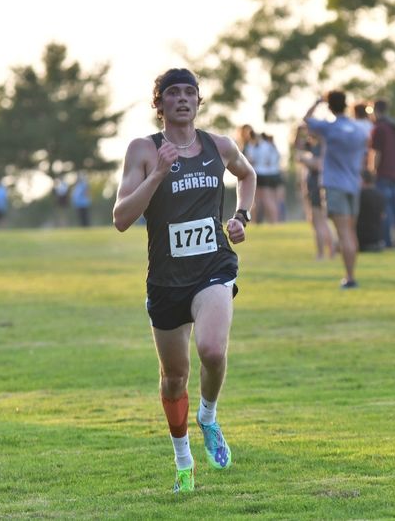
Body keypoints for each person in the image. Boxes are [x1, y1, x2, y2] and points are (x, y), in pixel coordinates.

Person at [112, 68, 256, 493]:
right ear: (158, 104)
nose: (182, 99)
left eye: (189, 92)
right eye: (172, 93)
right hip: (166, 280)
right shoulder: (143, 149)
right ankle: (183, 460)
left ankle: (208, 417)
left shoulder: (219, 146)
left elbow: (246, 175)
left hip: (213, 266)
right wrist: (157, 174)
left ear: (198, 100)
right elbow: (121, 218)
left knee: (212, 349)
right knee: (174, 377)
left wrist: (240, 216)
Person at [305, 90, 369, 288]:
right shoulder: (358, 129)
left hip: (335, 185)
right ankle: (351, 275)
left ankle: (350, 278)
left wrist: (317, 102)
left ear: (330, 106)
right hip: (353, 185)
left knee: (344, 234)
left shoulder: (330, 128)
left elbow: (307, 120)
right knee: (351, 231)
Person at [294, 124, 336, 259]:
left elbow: (319, 165)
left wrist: (304, 160)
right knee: (318, 221)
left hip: (317, 186)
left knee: (319, 221)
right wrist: (297, 132)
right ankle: (331, 252)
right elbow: (298, 146)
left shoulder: (320, 147)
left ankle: (322, 254)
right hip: (313, 186)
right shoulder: (315, 145)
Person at [369, 99, 395, 248]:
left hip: (382, 173)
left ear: (375, 110)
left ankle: (388, 241)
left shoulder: (379, 128)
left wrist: (372, 170)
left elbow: (376, 153)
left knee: (385, 210)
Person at [240, 125, 280, 224]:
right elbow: (274, 159)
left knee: (260, 200)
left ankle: (270, 221)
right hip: (267, 174)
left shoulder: (252, 146)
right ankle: (270, 221)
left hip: (258, 174)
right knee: (263, 200)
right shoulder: (267, 145)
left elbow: (249, 160)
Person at [357, 170, 385, 252]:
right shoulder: (381, 195)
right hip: (378, 243)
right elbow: (382, 216)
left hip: (363, 243)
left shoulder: (359, 196)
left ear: (362, 180)